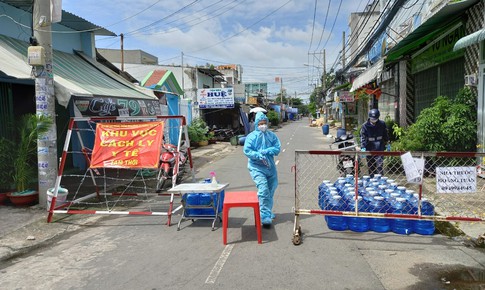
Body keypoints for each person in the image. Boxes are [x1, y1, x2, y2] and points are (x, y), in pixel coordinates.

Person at [243, 111, 281, 227]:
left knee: (271, 188)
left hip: (270, 167)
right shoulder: (251, 137)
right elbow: (247, 150)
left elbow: (277, 148)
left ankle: (267, 211)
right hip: (257, 167)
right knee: (263, 189)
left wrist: (268, 150)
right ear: (256, 124)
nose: (263, 125)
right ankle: (264, 216)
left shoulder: (272, 136)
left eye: (264, 123)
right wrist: (257, 154)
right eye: (260, 123)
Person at [360, 108, 389, 177]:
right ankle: (372, 182)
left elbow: (386, 135)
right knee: (371, 167)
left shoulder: (382, 124)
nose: (374, 120)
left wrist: (388, 146)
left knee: (379, 167)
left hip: (379, 148)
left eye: (375, 119)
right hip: (369, 148)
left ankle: (380, 181)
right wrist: (363, 150)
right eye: (372, 119)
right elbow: (363, 139)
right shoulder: (365, 126)